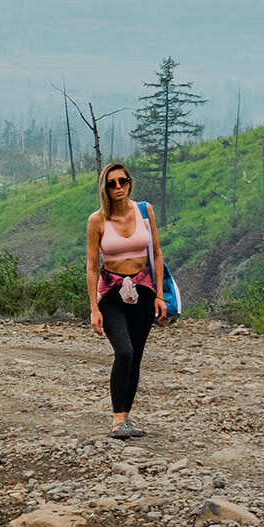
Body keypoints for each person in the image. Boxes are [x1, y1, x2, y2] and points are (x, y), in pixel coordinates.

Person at [86, 162, 167, 439]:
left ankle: (127, 418)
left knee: (137, 356)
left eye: (122, 181)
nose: (118, 187)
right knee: (124, 351)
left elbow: (156, 254)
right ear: (104, 188)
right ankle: (117, 419)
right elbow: (92, 267)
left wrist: (159, 295)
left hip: (143, 291)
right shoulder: (97, 220)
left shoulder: (145, 211)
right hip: (111, 293)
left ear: (130, 182)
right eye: (112, 183)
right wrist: (94, 308)